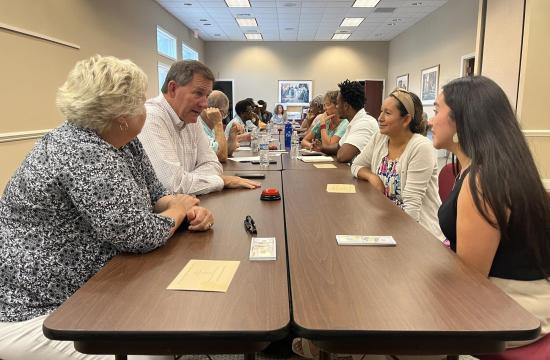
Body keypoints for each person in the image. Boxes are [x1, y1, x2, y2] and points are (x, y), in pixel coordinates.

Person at [0, 55, 213, 359]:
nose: (147, 109)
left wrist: (185, 209)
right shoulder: (81, 151)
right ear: (121, 114)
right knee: (153, 350)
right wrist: (179, 211)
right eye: (140, 102)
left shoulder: (121, 140)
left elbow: (156, 193)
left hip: (87, 288)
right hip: (39, 309)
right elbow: (138, 234)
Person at [433, 76, 550, 344]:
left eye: (437, 110)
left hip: (514, 312)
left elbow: (471, 282)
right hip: (510, 300)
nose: (429, 120)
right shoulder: (479, 169)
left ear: (461, 121)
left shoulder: (482, 181)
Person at [139, 60, 260, 195]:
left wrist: (189, 180)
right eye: (198, 93)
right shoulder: (151, 117)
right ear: (173, 88)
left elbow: (213, 164)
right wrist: (221, 181)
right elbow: (172, 186)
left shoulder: (190, 116)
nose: (204, 104)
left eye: (207, 95)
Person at [351, 89, 442, 239]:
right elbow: (356, 165)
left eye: (387, 113)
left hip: (418, 232)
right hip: (383, 222)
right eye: (381, 112)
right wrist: (373, 177)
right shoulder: (379, 138)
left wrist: (394, 237)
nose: (379, 118)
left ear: (406, 120)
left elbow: (412, 207)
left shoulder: (421, 147)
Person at [314, 80, 378, 163]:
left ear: (346, 106)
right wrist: (322, 148)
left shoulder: (364, 123)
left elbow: (343, 156)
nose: (336, 107)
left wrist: (337, 150)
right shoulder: (354, 121)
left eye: (337, 104)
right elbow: (338, 146)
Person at [198, 90, 240, 162]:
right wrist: (218, 122)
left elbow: (226, 152)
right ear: (219, 112)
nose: (224, 117)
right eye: (225, 114)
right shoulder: (198, 125)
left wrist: (232, 136)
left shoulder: (211, 126)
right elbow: (222, 156)